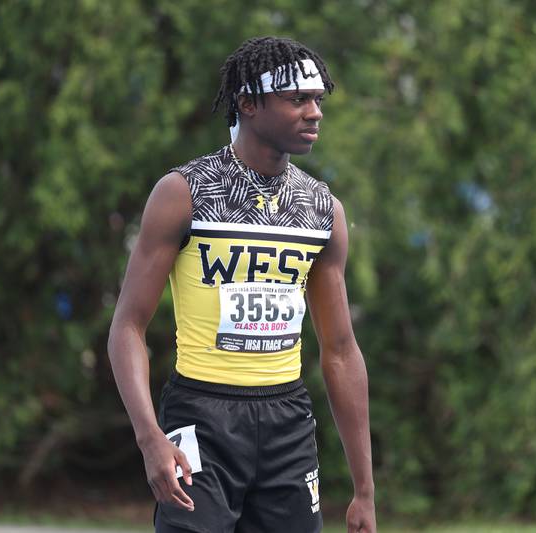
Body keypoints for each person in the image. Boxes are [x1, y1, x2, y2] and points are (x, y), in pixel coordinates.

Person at [107, 36, 376, 533]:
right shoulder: (184, 193)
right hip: (201, 417)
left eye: (318, 100)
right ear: (249, 104)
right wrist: (150, 438)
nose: (314, 112)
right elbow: (128, 327)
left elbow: (340, 350)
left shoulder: (322, 211)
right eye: (298, 99)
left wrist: (364, 489)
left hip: (287, 422)